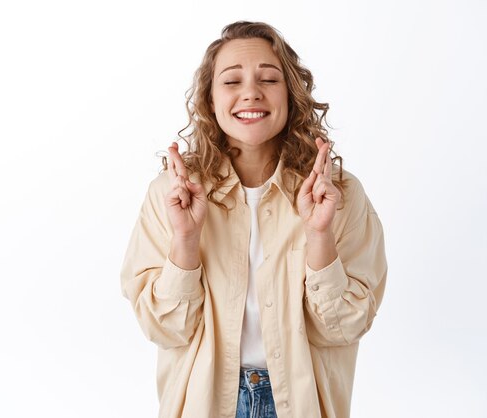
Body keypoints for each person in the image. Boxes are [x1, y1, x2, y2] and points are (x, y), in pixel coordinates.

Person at [121, 21, 387, 418]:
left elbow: (343, 327)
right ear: (210, 100)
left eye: (268, 78)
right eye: (231, 81)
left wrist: (319, 236)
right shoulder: (170, 194)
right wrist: (185, 241)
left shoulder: (339, 195)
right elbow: (165, 328)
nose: (251, 92)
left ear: (291, 95)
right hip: (205, 405)